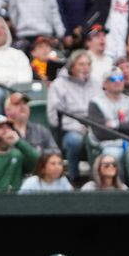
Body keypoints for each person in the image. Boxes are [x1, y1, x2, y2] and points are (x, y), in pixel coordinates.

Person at [47, 49, 102, 179]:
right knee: (74, 141)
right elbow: (54, 117)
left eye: (88, 64)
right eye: (81, 64)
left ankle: (98, 178)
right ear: (72, 66)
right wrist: (77, 127)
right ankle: (74, 177)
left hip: (94, 126)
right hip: (69, 129)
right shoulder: (58, 85)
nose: (86, 68)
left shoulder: (96, 83)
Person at [87, 66, 129, 165]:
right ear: (104, 84)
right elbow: (101, 133)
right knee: (114, 155)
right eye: (113, 79)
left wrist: (116, 125)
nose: (118, 81)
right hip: (108, 145)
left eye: (121, 78)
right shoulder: (95, 103)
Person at [0, 115, 39, 191]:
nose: (6, 131)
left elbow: (38, 162)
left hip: (17, 201)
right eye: (1, 128)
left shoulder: (17, 155)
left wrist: (18, 142)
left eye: (8, 128)